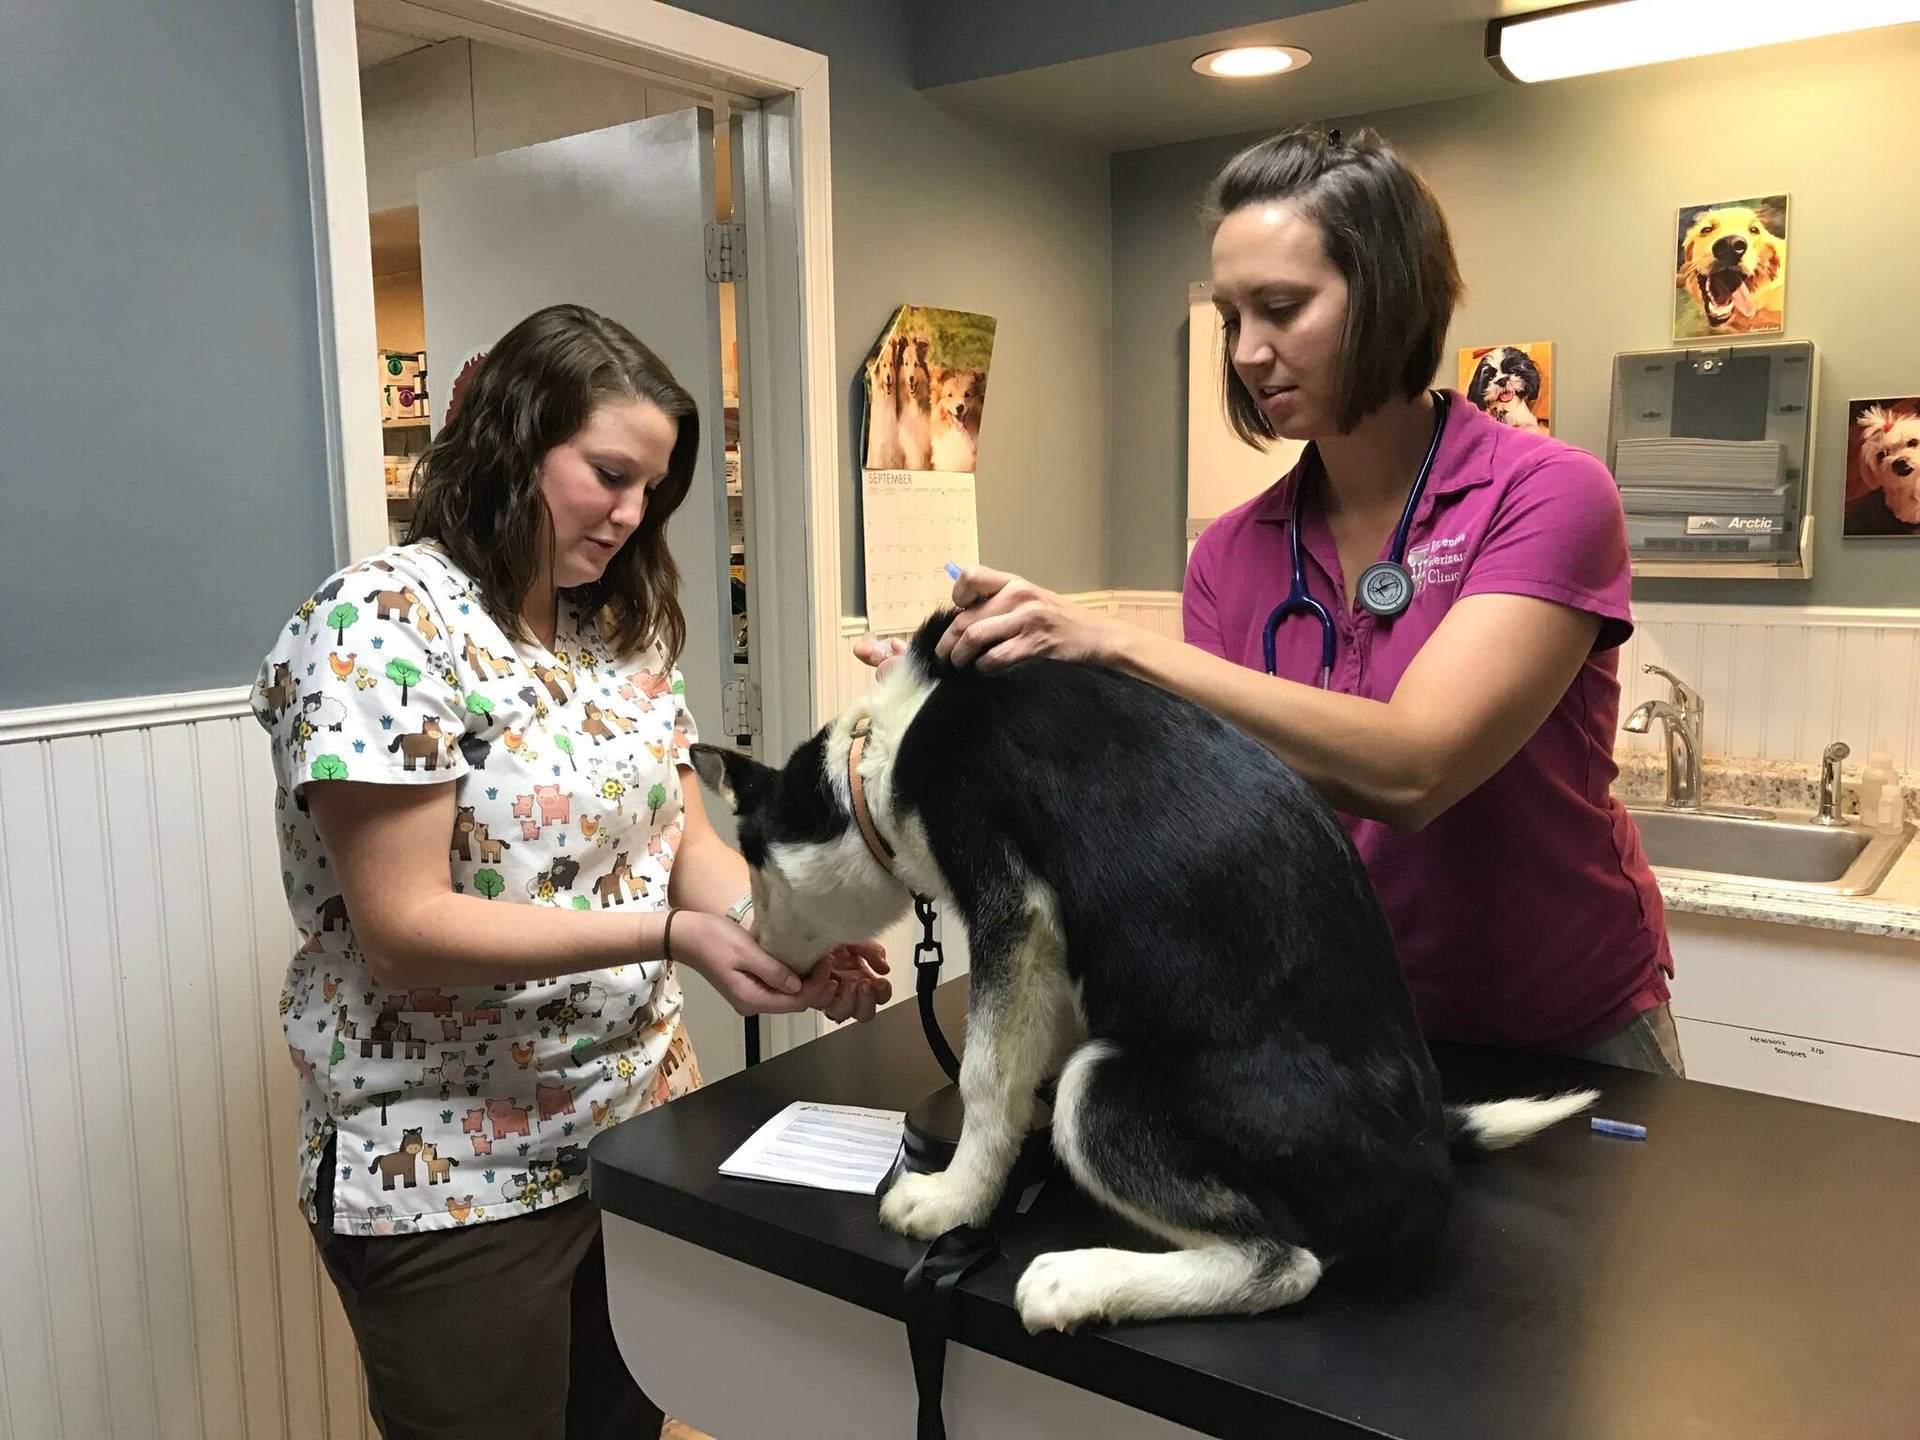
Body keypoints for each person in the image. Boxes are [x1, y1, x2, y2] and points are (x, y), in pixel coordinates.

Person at [859, 127, 1681, 1076]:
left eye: (1283, 309)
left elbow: (1417, 770)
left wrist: (1110, 642)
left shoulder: (1544, 495)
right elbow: (1195, 797)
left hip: (1566, 1028)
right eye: (1232, 319)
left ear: (1388, 295)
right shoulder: (1234, 553)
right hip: (1336, 1030)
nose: (1250, 353)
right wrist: (973, 710)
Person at [254, 303, 889, 1440]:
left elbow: (678, 840)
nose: (633, 514)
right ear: (513, 438)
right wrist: (665, 937)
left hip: (638, 1136)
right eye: (608, 474)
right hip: (453, 1175)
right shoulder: (379, 624)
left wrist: (774, 930)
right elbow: (404, 925)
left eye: (652, 487)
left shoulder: (619, 631)